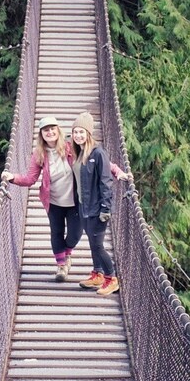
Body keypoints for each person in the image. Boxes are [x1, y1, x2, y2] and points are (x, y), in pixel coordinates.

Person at [1, 115, 129, 282]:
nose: (50, 132)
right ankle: (61, 266)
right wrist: (12, 177)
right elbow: (30, 179)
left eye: (53, 129)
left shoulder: (71, 147)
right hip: (53, 201)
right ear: (41, 134)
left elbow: (100, 160)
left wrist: (118, 172)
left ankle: (67, 252)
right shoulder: (39, 154)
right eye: (46, 130)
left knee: (75, 235)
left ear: (58, 130)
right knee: (56, 232)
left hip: (75, 201)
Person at [71, 111, 123, 295]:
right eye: (75, 132)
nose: (78, 135)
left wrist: (105, 209)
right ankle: (98, 274)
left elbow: (105, 181)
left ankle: (112, 278)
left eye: (81, 132)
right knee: (93, 243)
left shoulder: (98, 153)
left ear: (89, 133)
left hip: (97, 208)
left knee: (98, 245)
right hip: (83, 207)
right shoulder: (78, 153)